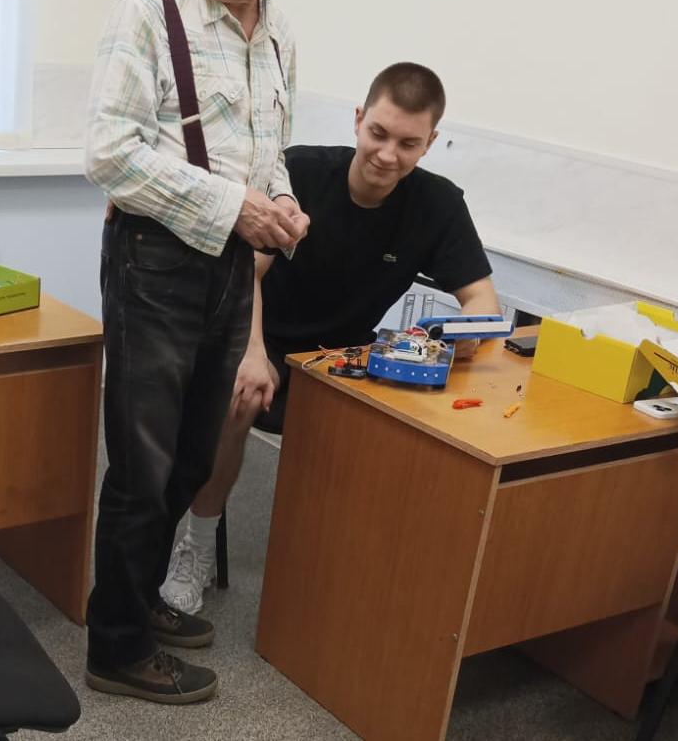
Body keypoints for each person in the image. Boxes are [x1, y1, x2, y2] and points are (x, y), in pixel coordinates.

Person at [82, 0, 311, 705]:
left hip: (230, 268)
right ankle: (116, 647)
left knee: (190, 458)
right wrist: (235, 205)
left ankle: (135, 599)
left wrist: (281, 204)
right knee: (142, 470)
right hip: (153, 261)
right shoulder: (148, 7)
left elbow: (269, 152)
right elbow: (109, 154)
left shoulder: (280, 35)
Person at [160, 62, 501, 614]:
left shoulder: (438, 204)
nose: (387, 154)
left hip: (348, 356)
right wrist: (252, 355)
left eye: (408, 144)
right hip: (260, 335)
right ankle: (196, 546)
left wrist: (460, 336)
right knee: (238, 396)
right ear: (359, 119)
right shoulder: (299, 175)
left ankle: (348, 562)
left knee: (409, 426)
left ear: (430, 142)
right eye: (379, 133)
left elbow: (483, 302)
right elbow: (247, 275)